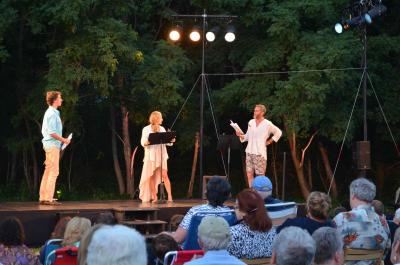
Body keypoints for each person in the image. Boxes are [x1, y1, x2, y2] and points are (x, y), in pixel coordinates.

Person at [333, 178, 391, 265]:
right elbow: (386, 251)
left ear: (353, 195)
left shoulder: (341, 218)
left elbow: (331, 252)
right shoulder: (383, 222)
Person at [170, 177, 232, 244]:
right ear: (228, 195)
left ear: (206, 192)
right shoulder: (230, 213)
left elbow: (178, 238)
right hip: (221, 251)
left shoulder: (196, 212)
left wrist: (164, 234)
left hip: (193, 253)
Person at [236, 104, 282, 186]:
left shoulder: (267, 124)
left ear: (262, 112)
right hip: (249, 152)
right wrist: (240, 134)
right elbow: (247, 136)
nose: (254, 112)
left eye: (257, 111)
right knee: (249, 174)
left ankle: (261, 195)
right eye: (254, 110)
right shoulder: (251, 122)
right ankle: (252, 195)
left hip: (259, 153)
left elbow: (278, 132)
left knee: (260, 177)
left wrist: (270, 141)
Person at [39, 91, 71, 205]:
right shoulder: (52, 114)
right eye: (60, 98)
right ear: (54, 100)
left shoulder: (52, 112)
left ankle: (43, 197)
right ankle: (48, 198)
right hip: (52, 145)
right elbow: (52, 132)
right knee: (54, 171)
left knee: (48, 170)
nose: (61, 100)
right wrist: (64, 140)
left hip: (50, 145)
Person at [227, 189, 276, 259]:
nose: (234, 209)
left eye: (236, 207)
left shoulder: (233, 234)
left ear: (244, 212)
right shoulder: (272, 231)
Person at [139, 111, 174, 203]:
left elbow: (167, 142)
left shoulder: (162, 128)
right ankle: (154, 197)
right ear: (156, 118)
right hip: (151, 155)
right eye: (161, 117)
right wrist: (146, 143)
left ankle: (170, 196)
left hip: (161, 154)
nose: (162, 119)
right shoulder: (146, 129)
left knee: (165, 175)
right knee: (151, 176)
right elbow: (143, 141)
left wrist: (171, 140)